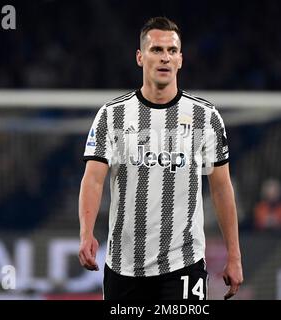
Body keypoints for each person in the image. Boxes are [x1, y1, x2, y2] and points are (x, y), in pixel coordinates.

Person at [78, 17, 243, 300]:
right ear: (140, 58)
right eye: (156, 50)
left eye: (171, 51)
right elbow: (93, 179)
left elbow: (221, 187)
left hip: (183, 264)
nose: (165, 57)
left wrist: (235, 255)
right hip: (123, 266)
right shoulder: (111, 115)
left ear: (180, 59)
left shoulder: (206, 117)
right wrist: (86, 232)